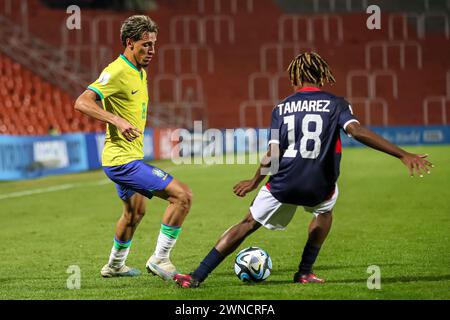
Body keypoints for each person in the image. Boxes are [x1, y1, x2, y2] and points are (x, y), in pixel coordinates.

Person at [173, 52, 433, 288]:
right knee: (325, 210)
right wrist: (402, 154)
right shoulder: (336, 104)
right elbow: (357, 131)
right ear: (321, 76)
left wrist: (254, 181)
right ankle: (304, 272)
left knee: (247, 223)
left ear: (294, 78)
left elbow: (273, 154)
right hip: (319, 186)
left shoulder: (281, 108)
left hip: (283, 183)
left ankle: (196, 276)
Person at [74, 15, 192, 280]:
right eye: (145, 45)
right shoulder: (116, 71)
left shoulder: (140, 70)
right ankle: (161, 259)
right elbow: (82, 102)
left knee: (134, 212)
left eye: (153, 44)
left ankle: (115, 265)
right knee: (182, 196)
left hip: (127, 157)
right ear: (129, 43)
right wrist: (117, 120)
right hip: (121, 162)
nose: (152, 50)